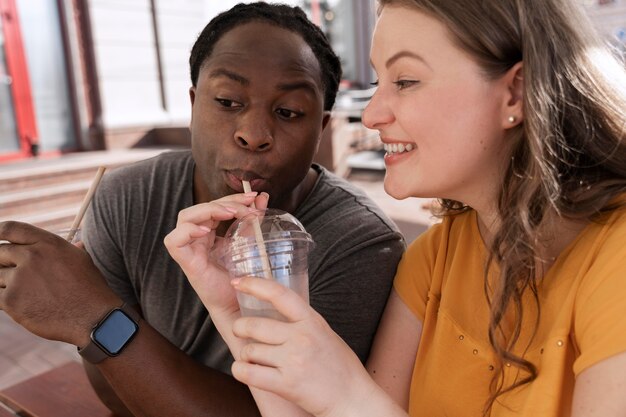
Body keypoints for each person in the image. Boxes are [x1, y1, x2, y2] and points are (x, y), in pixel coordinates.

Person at [166, 0, 626, 416]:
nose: (371, 114)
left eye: (405, 81)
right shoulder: (435, 258)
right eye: (377, 81)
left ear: (515, 94)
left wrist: (346, 392)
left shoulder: (615, 261)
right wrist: (239, 315)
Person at [0, 3, 405, 416]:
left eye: (288, 112)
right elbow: (114, 393)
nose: (253, 134)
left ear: (320, 128)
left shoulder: (359, 245)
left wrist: (93, 315)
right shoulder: (126, 199)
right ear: (194, 105)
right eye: (228, 101)